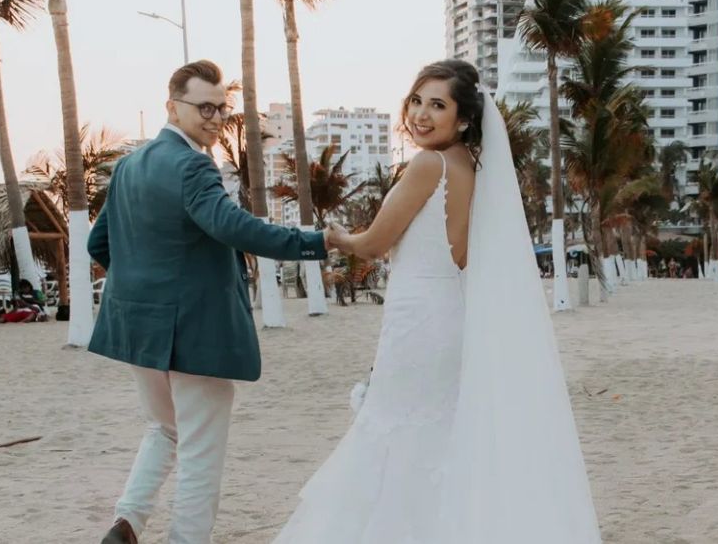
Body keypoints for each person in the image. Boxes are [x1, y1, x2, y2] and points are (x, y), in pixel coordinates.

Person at [272, 60, 601, 543]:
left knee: (398, 434)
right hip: (452, 312)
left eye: (438, 105)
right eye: (417, 100)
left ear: (464, 119)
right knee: (438, 436)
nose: (421, 114)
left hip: (418, 319)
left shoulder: (429, 164)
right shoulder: (473, 167)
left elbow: (373, 243)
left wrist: (337, 236)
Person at [89, 60, 331, 544]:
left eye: (222, 107)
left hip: (139, 330)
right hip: (193, 330)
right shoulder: (192, 164)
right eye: (204, 107)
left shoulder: (128, 165)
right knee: (201, 447)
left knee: (164, 429)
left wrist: (147, 285)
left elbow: (100, 244)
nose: (216, 117)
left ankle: (127, 523)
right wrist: (313, 242)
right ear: (172, 108)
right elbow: (232, 226)